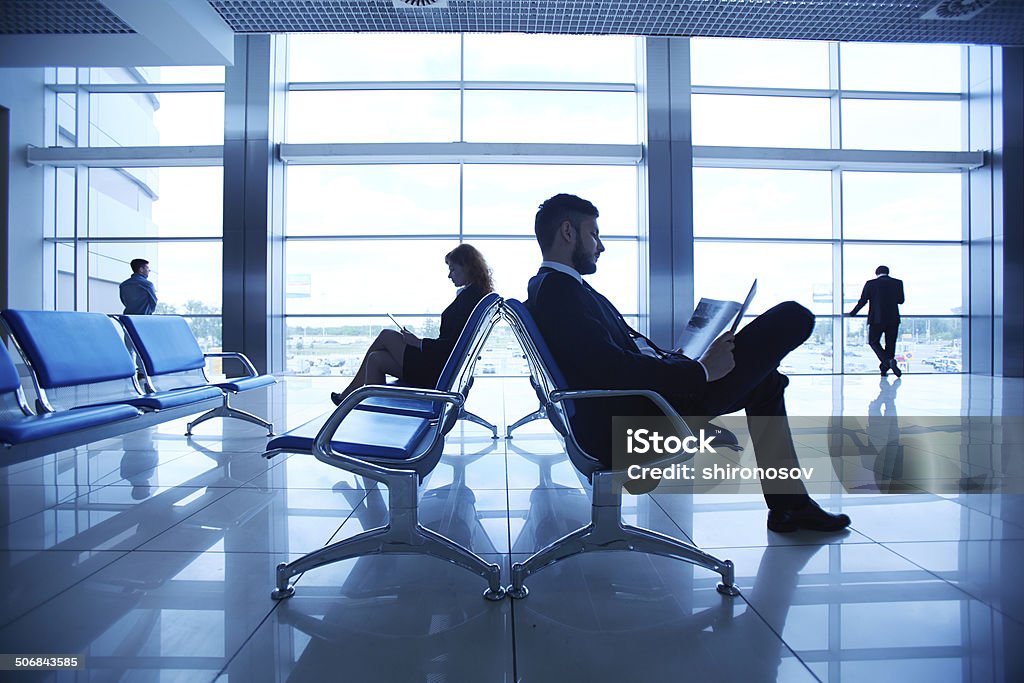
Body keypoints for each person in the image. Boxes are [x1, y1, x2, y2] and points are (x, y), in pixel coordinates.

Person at [526, 193, 850, 533]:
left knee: (766, 384)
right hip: (637, 419)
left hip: (644, 404)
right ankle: (791, 505)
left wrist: (684, 358)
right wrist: (702, 371)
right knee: (792, 317)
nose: (600, 246)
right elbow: (611, 368)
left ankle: (790, 505)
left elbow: (614, 356)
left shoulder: (559, 288)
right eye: (594, 234)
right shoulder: (561, 293)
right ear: (567, 232)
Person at [331, 244, 494, 406]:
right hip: (441, 367)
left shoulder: (469, 299)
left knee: (386, 335)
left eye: (453, 270)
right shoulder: (476, 295)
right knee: (376, 359)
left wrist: (418, 342)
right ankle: (376, 413)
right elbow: (453, 341)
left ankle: (348, 396)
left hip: (437, 370)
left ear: (467, 267)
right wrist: (419, 342)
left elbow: (450, 346)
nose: (449, 276)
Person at [847, 265, 905, 377]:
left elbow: (862, 301)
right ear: (888, 272)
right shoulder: (898, 283)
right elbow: (901, 300)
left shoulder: (871, 283)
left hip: (876, 319)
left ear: (876, 273)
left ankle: (887, 362)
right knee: (890, 344)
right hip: (893, 319)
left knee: (873, 342)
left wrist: (852, 313)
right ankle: (884, 369)